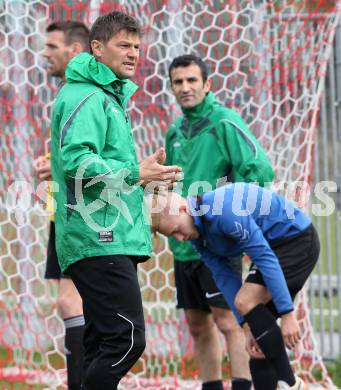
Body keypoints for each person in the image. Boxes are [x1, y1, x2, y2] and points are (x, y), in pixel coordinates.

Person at [49, 11, 181, 390]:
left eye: (137, 46)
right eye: (123, 45)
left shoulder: (105, 95)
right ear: (97, 47)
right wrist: (137, 173)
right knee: (125, 340)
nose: (133, 53)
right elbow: (77, 163)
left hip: (106, 235)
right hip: (96, 237)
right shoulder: (88, 96)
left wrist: (142, 180)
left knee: (102, 342)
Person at [165, 54, 274, 390]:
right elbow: (171, 185)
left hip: (215, 242)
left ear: (207, 84)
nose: (185, 88)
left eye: (192, 80)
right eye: (178, 82)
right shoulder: (174, 133)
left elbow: (258, 168)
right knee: (197, 324)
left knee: (229, 320)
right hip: (183, 245)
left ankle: (242, 385)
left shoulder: (224, 122)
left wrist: (239, 221)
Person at [150, 183, 319, 390]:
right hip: (273, 250)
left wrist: (287, 314)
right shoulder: (198, 236)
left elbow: (264, 257)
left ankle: (293, 385)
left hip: (296, 242)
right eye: (173, 236)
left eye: (176, 230)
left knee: (245, 300)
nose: (180, 238)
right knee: (257, 344)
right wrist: (246, 325)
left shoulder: (223, 211)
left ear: (184, 209)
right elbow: (224, 278)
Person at [32, 20, 90, 390]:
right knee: (70, 304)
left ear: (75, 51)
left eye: (52, 46)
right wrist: (48, 165)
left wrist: (58, 174)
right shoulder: (68, 94)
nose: (45, 53)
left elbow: (95, 159)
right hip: (65, 212)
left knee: (79, 304)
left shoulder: (86, 96)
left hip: (86, 214)